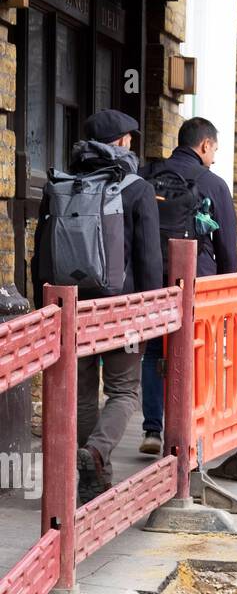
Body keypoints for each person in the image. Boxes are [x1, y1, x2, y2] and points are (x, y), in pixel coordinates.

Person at [31, 109, 163, 504]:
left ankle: (89, 471)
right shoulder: (137, 188)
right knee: (125, 391)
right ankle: (96, 453)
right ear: (121, 142)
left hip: (69, 306)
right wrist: (152, 310)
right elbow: (149, 258)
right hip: (120, 309)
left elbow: (40, 255)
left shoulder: (60, 183)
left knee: (83, 390)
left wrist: (46, 306)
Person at [139, 117, 237, 454]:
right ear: (205, 146)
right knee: (196, 351)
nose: (213, 157)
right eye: (214, 150)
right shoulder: (214, 184)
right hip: (199, 283)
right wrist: (229, 287)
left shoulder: (148, 176)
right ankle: (189, 431)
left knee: (154, 351)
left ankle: (153, 430)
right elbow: (226, 245)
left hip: (154, 278)